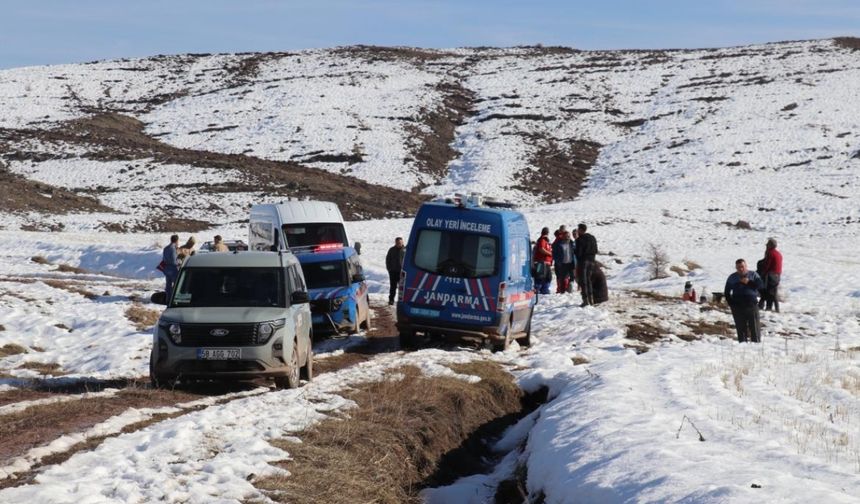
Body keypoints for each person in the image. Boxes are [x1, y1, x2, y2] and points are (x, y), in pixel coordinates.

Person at [724, 259, 764, 343]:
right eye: (738, 267)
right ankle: (742, 346)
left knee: (755, 328)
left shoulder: (753, 275)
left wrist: (749, 282)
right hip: (737, 306)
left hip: (751, 305)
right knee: (741, 329)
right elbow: (727, 292)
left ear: (746, 266)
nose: (741, 269)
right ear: (736, 268)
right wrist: (731, 303)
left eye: (742, 266)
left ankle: (756, 346)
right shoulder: (732, 277)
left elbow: (761, 286)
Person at [574, 223, 598, 306]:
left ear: (581, 230)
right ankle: (591, 299)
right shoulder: (592, 238)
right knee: (589, 280)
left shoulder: (579, 240)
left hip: (583, 261)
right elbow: (596, 250)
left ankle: (585, 300)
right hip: (592, 260)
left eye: (578, 229)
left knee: (583, 281)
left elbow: (578, 253)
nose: (577, 231)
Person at [760, 238, 782, 312]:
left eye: (768, 244)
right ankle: (776, 308)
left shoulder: (770, 253)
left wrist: (763, 273)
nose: (766, 245)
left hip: (771, 275)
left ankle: (768, 307)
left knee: (768, 291)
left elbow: (767, 265)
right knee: (773, 292)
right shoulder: (778, 253)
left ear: (770, 245)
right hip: (778, 275)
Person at [532, 227, 553, 295]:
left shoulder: (546, 241)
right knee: (539, 278)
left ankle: (545, 290)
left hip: (546, 263)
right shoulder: (542, 240)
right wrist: (550, 253)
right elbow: (541, 249)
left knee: (548, 278)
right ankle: (538, 291)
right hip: (540, 263)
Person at [385, 237, 406, 305]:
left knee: (402, 288)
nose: (398, 244)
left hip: (402, 272)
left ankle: (402, 301)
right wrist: (389, 269)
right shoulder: (392, 250)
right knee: (393, 287)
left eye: (400, 243)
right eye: (397, 243)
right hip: (393, 272)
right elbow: (388, 259)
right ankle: (391, 300)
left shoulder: (405, 250)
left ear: (402, 242)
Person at [162, 235, 180, 301]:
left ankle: (168, 299)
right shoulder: (173, 248)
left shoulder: (166, 248)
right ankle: (174, 299)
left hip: (166, 268)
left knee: (168, 285)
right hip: (173, 269)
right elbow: (174, 261)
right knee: (176, 285)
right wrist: (179, 261)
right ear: (177, 241)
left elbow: (164, 259)